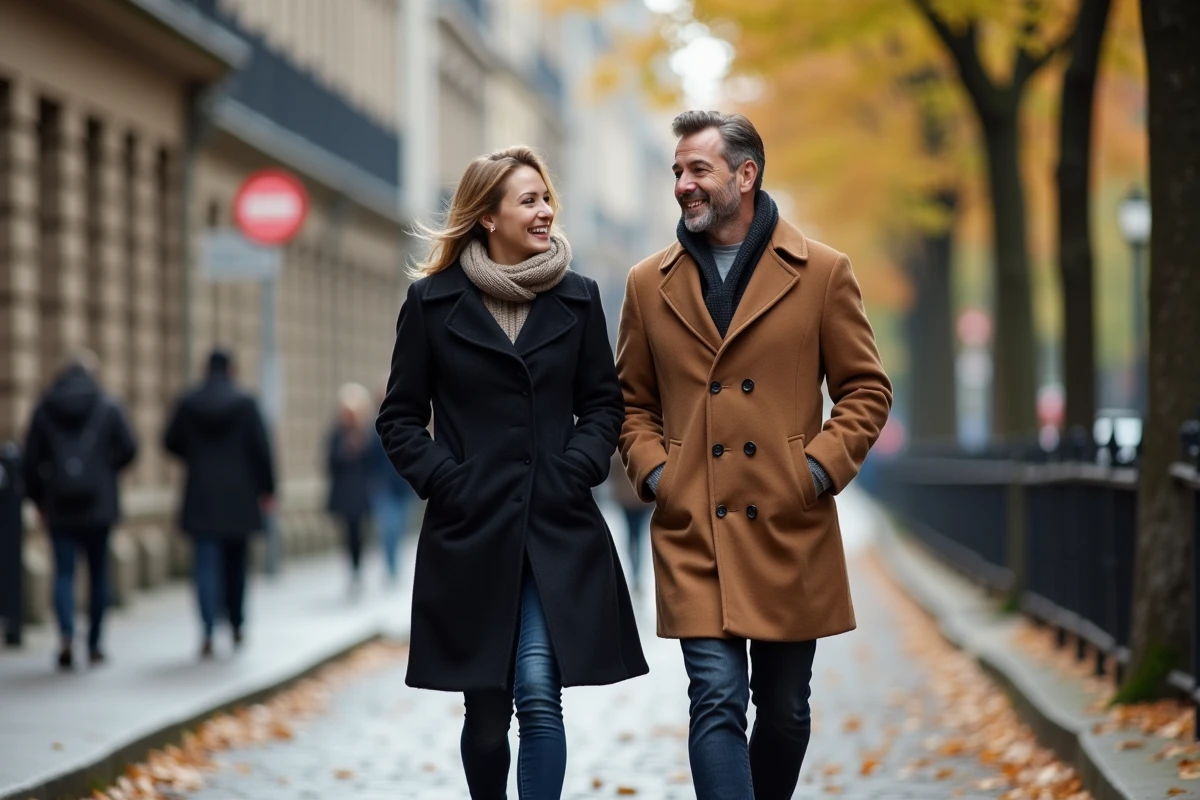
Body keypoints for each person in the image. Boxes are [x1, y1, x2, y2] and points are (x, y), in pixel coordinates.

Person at [616, 111, 893, 799]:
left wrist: (816, 470)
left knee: (786, 712)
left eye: (697, 169)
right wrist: (659, 470)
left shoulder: (823, 272)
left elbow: (864, 389)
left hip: (787, 524)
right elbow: (629, 403)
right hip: (695, 527)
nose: (683, 184)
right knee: (714, 700)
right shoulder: (648, 283)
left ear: (746, 174)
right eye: (677, 171)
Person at [377, 145, 647, 798]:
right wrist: (449, 480)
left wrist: (576, 466)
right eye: (529, 200)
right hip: (471, 532)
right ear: (487, 217)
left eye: (546, 197)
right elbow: (400, 418)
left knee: (538, 689)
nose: (546, 211)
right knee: (488, 713)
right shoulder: (431, 303)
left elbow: (604, 404)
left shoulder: (579, 298)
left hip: (555, 525)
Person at [23, 351, 138, 670]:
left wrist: (39, 499)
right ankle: (96, 643)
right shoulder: (108, 405)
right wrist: (106, 471)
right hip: (99, 505)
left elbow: (30, 462)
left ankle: (66, 636)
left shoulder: (45, 407)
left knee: (63, 572)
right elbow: (130, 448)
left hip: (59, 505)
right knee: (99, 574)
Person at [164, 348, 275, 659]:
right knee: (237, 564)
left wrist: (196, 456)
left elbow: (169, 440)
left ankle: (207, 628)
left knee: (205, 565)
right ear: (232, 369)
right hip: (239, 495)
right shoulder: (246, 402)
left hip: (201, 494)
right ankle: (237, 623)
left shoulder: (189, 401)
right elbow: (261, 449)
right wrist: (267, 489)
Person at [326, 382, 374, 596]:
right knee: (348, 533)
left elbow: (375, 462)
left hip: (362, 492)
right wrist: (345, 451)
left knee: (358, 534)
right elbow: (329, 461)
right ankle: (352, 569)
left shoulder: (368, 434)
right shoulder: (337, 434)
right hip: (344, 493)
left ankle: (357, 569)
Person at [369, 378, 413, 587]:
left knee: (398, 528)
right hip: (383, 487)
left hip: (403, 486)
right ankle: (390, 565)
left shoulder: (406, 423)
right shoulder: (372, 429)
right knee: (388, 527)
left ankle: (393, 562)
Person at [609, 451, 650, 595]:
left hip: (629, 502)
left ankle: (636, 575)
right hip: (640, 501)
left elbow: (611, 472)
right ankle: (636, 576)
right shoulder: (639, 452)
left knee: (632, 537)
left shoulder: (618, 455)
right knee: (637, 537)